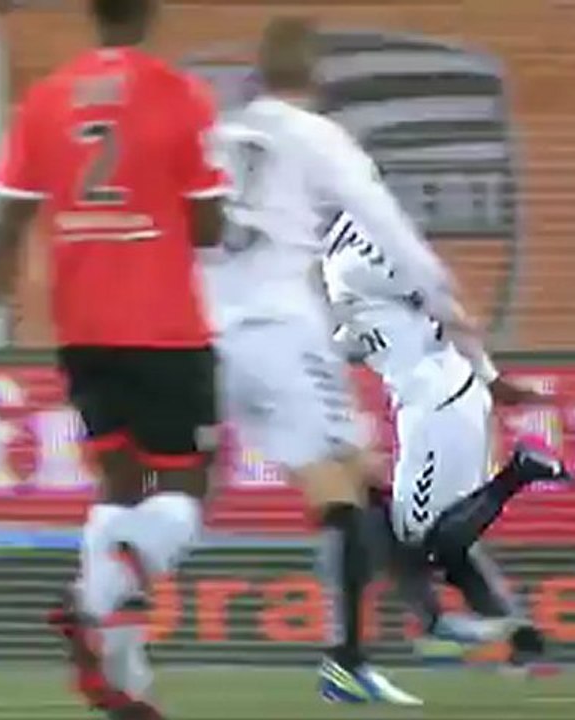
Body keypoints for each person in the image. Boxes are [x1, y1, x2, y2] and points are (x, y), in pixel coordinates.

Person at [0, 1, 226, 716]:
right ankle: (92, 595)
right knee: (186, 492)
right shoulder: (182, 94)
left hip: (82, 332)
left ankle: (125, 680)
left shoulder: (46, 99)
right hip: (163, 328)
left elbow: (6, 226)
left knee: (121, 490)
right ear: (151, 12)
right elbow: (210, 224)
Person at [201, 17, 429, 706]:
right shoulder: (315, 136)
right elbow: (381, 218)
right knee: (346, 483)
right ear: (317, 77)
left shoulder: (216, 137)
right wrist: (438, 297)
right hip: (280, 330)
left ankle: (100, 611)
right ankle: (354, 656)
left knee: (178, 494)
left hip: (208, 333)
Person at [323, 201, 568, 667]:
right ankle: (518, 643)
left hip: (436, 405)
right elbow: (379, 325)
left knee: (426, 544)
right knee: (434, 537)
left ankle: (518, 472)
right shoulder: (346, 255)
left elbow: (434, 294)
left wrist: (489, 371)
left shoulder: (354, 252)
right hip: (445, 397)